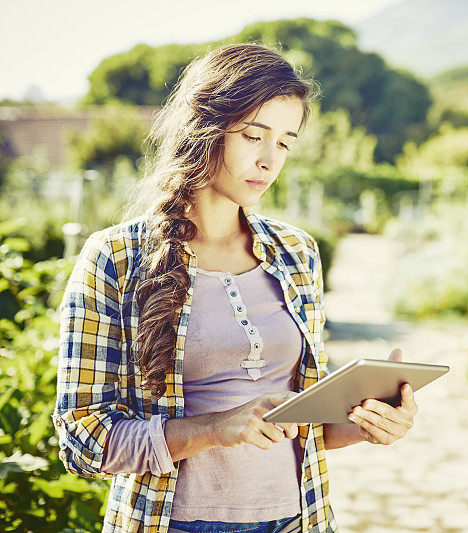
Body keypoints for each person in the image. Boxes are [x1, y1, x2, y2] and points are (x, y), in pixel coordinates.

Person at [51, 43, 418, 533]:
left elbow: (301, 428)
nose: (270, 160)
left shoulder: (297, 252)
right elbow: (82, 441)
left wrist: (369, 425)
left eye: (285, 142)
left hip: (299, 520)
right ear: (203, 128)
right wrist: (215, 428)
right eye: (253, 135)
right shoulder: (116, 258)